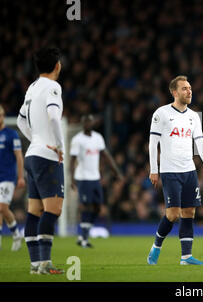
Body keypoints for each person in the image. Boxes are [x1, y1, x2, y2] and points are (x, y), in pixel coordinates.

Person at [147, 75, 203, 265]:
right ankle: (156, 247)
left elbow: (200, 143)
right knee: (173, 214)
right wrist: (154, 169)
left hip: (189, 171)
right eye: (185, 88)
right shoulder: (161, 113)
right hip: (170, 171)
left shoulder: (194, 116)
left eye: (190, 88)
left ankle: (186, 257)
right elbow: (153, 143)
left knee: (189, 213)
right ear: (174, 92)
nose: (189, 91)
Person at [17, 47, 65, 274]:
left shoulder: (32, 87)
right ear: (57, 66)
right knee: (53, 209)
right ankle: (45, 263)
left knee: (34, 211)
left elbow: (19, 121)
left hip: (32, 155)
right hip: (47, 156)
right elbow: (54, 116)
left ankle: (35, 264)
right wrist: (59, 146)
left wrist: (35, 139)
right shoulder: (53, 86)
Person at [70, 114, 124, 248]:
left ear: (93, 123)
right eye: (85, 122)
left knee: (98, 207)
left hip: (95, 177)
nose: (88, 124)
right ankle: (83, 237)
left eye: (89, 122)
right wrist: (71, 179)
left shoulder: (98, 138)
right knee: (86, 205)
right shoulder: (77, 140)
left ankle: (84, 235)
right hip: (82, 177)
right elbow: (72, 161)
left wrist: (116, 172)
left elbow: (106, 155)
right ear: (82, 124)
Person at [0, 105, 25, 251]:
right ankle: (14, 234)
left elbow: (19, 157)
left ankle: (15, 234)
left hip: (7, 177)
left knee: (2, 207)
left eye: (1, 115)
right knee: (1, 209)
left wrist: (20, 177)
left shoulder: (11, 135)